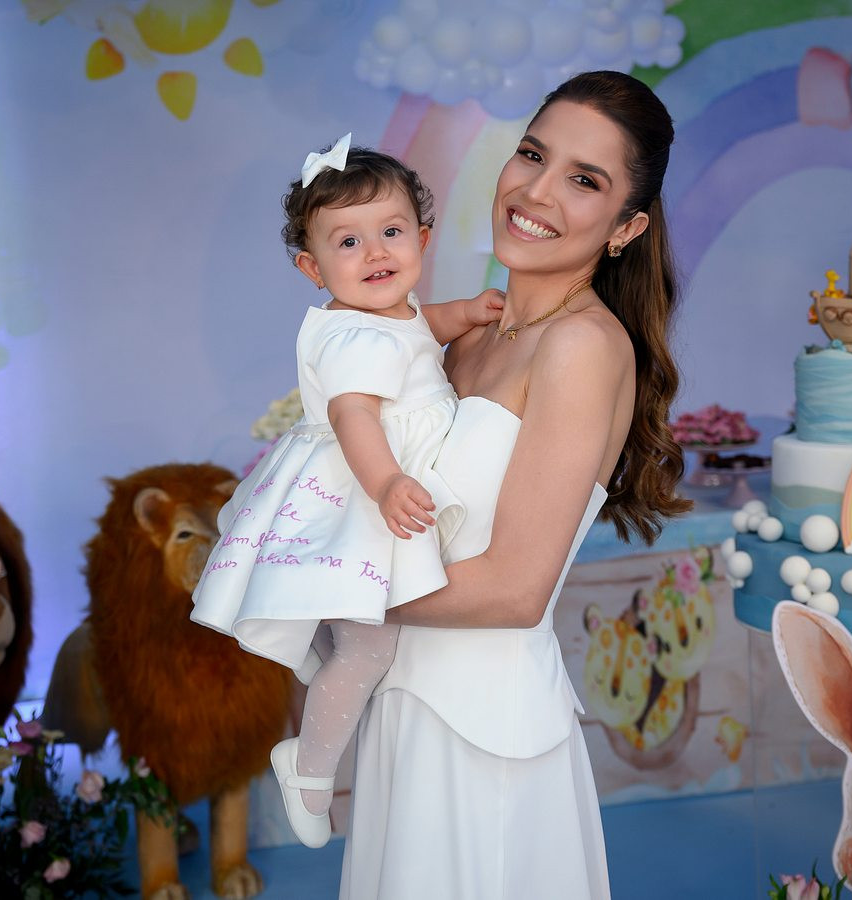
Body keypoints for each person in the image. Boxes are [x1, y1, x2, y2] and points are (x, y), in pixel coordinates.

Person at [339, 70, 691, 900]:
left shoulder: (583, 346)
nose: (535, 191)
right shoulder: (471, 336)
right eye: (533, 154)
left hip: (484, 737)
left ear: (626, 227)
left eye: (584, 180)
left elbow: (516, 588)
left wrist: (333, 589)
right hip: (404, 705)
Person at [190, 133, 502, 849]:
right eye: (349, 242)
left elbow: (420, 328)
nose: (376, 253)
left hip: (353, 492)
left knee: (355, 634)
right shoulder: (353, 339)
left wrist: (467, 313)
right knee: (368, 650)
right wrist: (387, 481)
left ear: (422, 238)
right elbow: (354, 415)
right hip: (360, 489)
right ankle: (309, 767)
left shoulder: (383, 315)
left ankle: (314, 655)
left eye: (391, 232)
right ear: (312, 267)